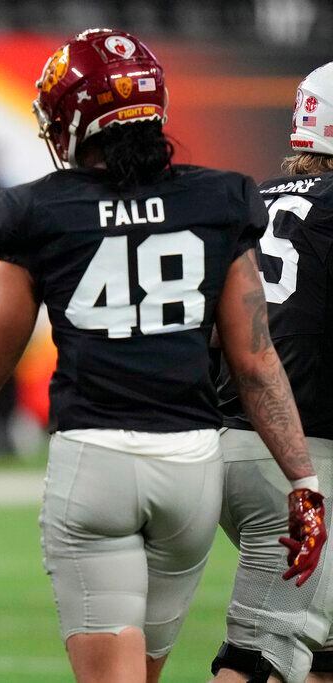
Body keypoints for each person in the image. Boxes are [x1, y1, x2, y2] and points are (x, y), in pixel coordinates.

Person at [0, 28, 326, 683]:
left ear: (73, 124)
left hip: (95, 464)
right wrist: (304, 482)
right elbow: (254, 362)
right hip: (189, 465)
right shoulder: (219, 199)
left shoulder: (40, 209)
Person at [210, 62, 333, 683]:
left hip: (222, 447)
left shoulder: (250, 201)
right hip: (303, 467)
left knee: (324, 650)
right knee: (262, 653)